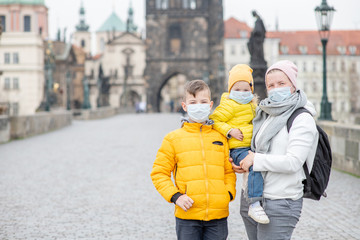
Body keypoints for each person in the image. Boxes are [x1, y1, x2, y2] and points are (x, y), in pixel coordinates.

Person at [231, 60, 319, 240]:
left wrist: (255, 159)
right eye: (271, 85)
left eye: (281, 83)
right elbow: (253, 149)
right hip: (251, 198)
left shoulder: (302, 118)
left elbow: (293, 162)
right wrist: (243, 164)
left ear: (293, 85)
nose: (275, 88)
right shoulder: (265, 113)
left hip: (280, 200)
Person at [151, 80, 236, 240]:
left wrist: (228, 193)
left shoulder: (220, 138)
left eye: (203, 102)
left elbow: (228, 171)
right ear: (185, 106)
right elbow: (159, 173)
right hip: (187, 215)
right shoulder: (172, 139)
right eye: (193, 102)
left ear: (210, 105)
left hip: (218, 215)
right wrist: (176, 196)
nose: (199, 105)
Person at [210, 64, 269, 224]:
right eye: (237, 89)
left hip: (251, 147)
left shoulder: (253, 105)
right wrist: (230, 131)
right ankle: (254, 203)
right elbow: (214, 121)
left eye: (245, 90)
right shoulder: (229, 105)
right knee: (254, 166)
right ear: (230, 90)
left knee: (260, 165)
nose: (242, 93)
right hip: (238, 148)